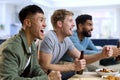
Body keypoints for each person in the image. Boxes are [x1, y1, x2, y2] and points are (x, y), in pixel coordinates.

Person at [39, 9, 117, 80]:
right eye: (70, 21)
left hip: (52, 72)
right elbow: (44, 66)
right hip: (41, 75)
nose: (73, 24)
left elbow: (82, 57)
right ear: (60, 24)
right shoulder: (49, 37)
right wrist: (72, 66)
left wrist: (102, 55)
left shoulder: (66, 40)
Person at [0, 5, 61, 80]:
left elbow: (35, 68)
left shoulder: (32, 44)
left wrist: (47, 76)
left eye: (44, 20)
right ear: (28, 22)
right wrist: (47, 79)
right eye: (41, 20)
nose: (45, 24)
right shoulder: (11, 48)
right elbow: (9, 79)